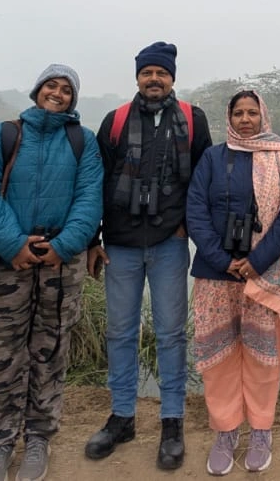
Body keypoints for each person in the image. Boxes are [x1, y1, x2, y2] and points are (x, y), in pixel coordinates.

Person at [0, 64, 105, 481]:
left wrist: (64, 245)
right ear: (37, 89)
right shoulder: (3, 135)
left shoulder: (82, 141)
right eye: (50, 85)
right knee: (2, 354)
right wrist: (13, 243)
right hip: (9, 263)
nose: (57, 93)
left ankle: (39, 438)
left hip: (61, 265)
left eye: (66, 89)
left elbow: (90, 199)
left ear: (73, 98)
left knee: (50, 352)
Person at [83, 42, 212, 471]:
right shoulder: (115, 120)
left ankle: (172, 421)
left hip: (169, 242)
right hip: (120, 243)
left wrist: (188, 226)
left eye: (161, 73)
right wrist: (92, 239)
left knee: (171, 334)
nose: (154, 79)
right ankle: (122, 416)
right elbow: (96, 182)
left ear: (172, 78)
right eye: (147, 73)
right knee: (120, 332)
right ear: (137, 77)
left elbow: (203, 181)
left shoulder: (193, 119)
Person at [187, 90, 280, 475]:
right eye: (239, 113)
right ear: (229, 117)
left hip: (264, 273)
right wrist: (223, 260)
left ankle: (261, 431)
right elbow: (195, 211)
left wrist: (257, 260)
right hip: (214, 273)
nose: (246, 119)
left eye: (253, 113)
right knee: (219, 355)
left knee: (261, 355)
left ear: (263, 116)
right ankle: (225, 431)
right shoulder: (212, 158)